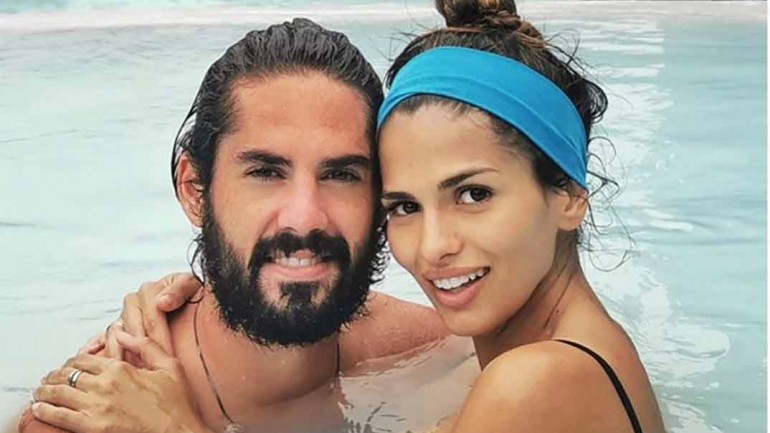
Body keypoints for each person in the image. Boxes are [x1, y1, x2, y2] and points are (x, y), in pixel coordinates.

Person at [32, 0, 669, 432]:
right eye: (405, 205)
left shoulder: (533, 379)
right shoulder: (501, 351)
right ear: (194, 189)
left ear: (569, 194)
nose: (434, 245)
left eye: (474, 194)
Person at [18, 17, 455, 433]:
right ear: (195, 190)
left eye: (340, 175)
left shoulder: (436, 352)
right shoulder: (97, 415)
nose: (305, 218)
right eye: (265, 172)